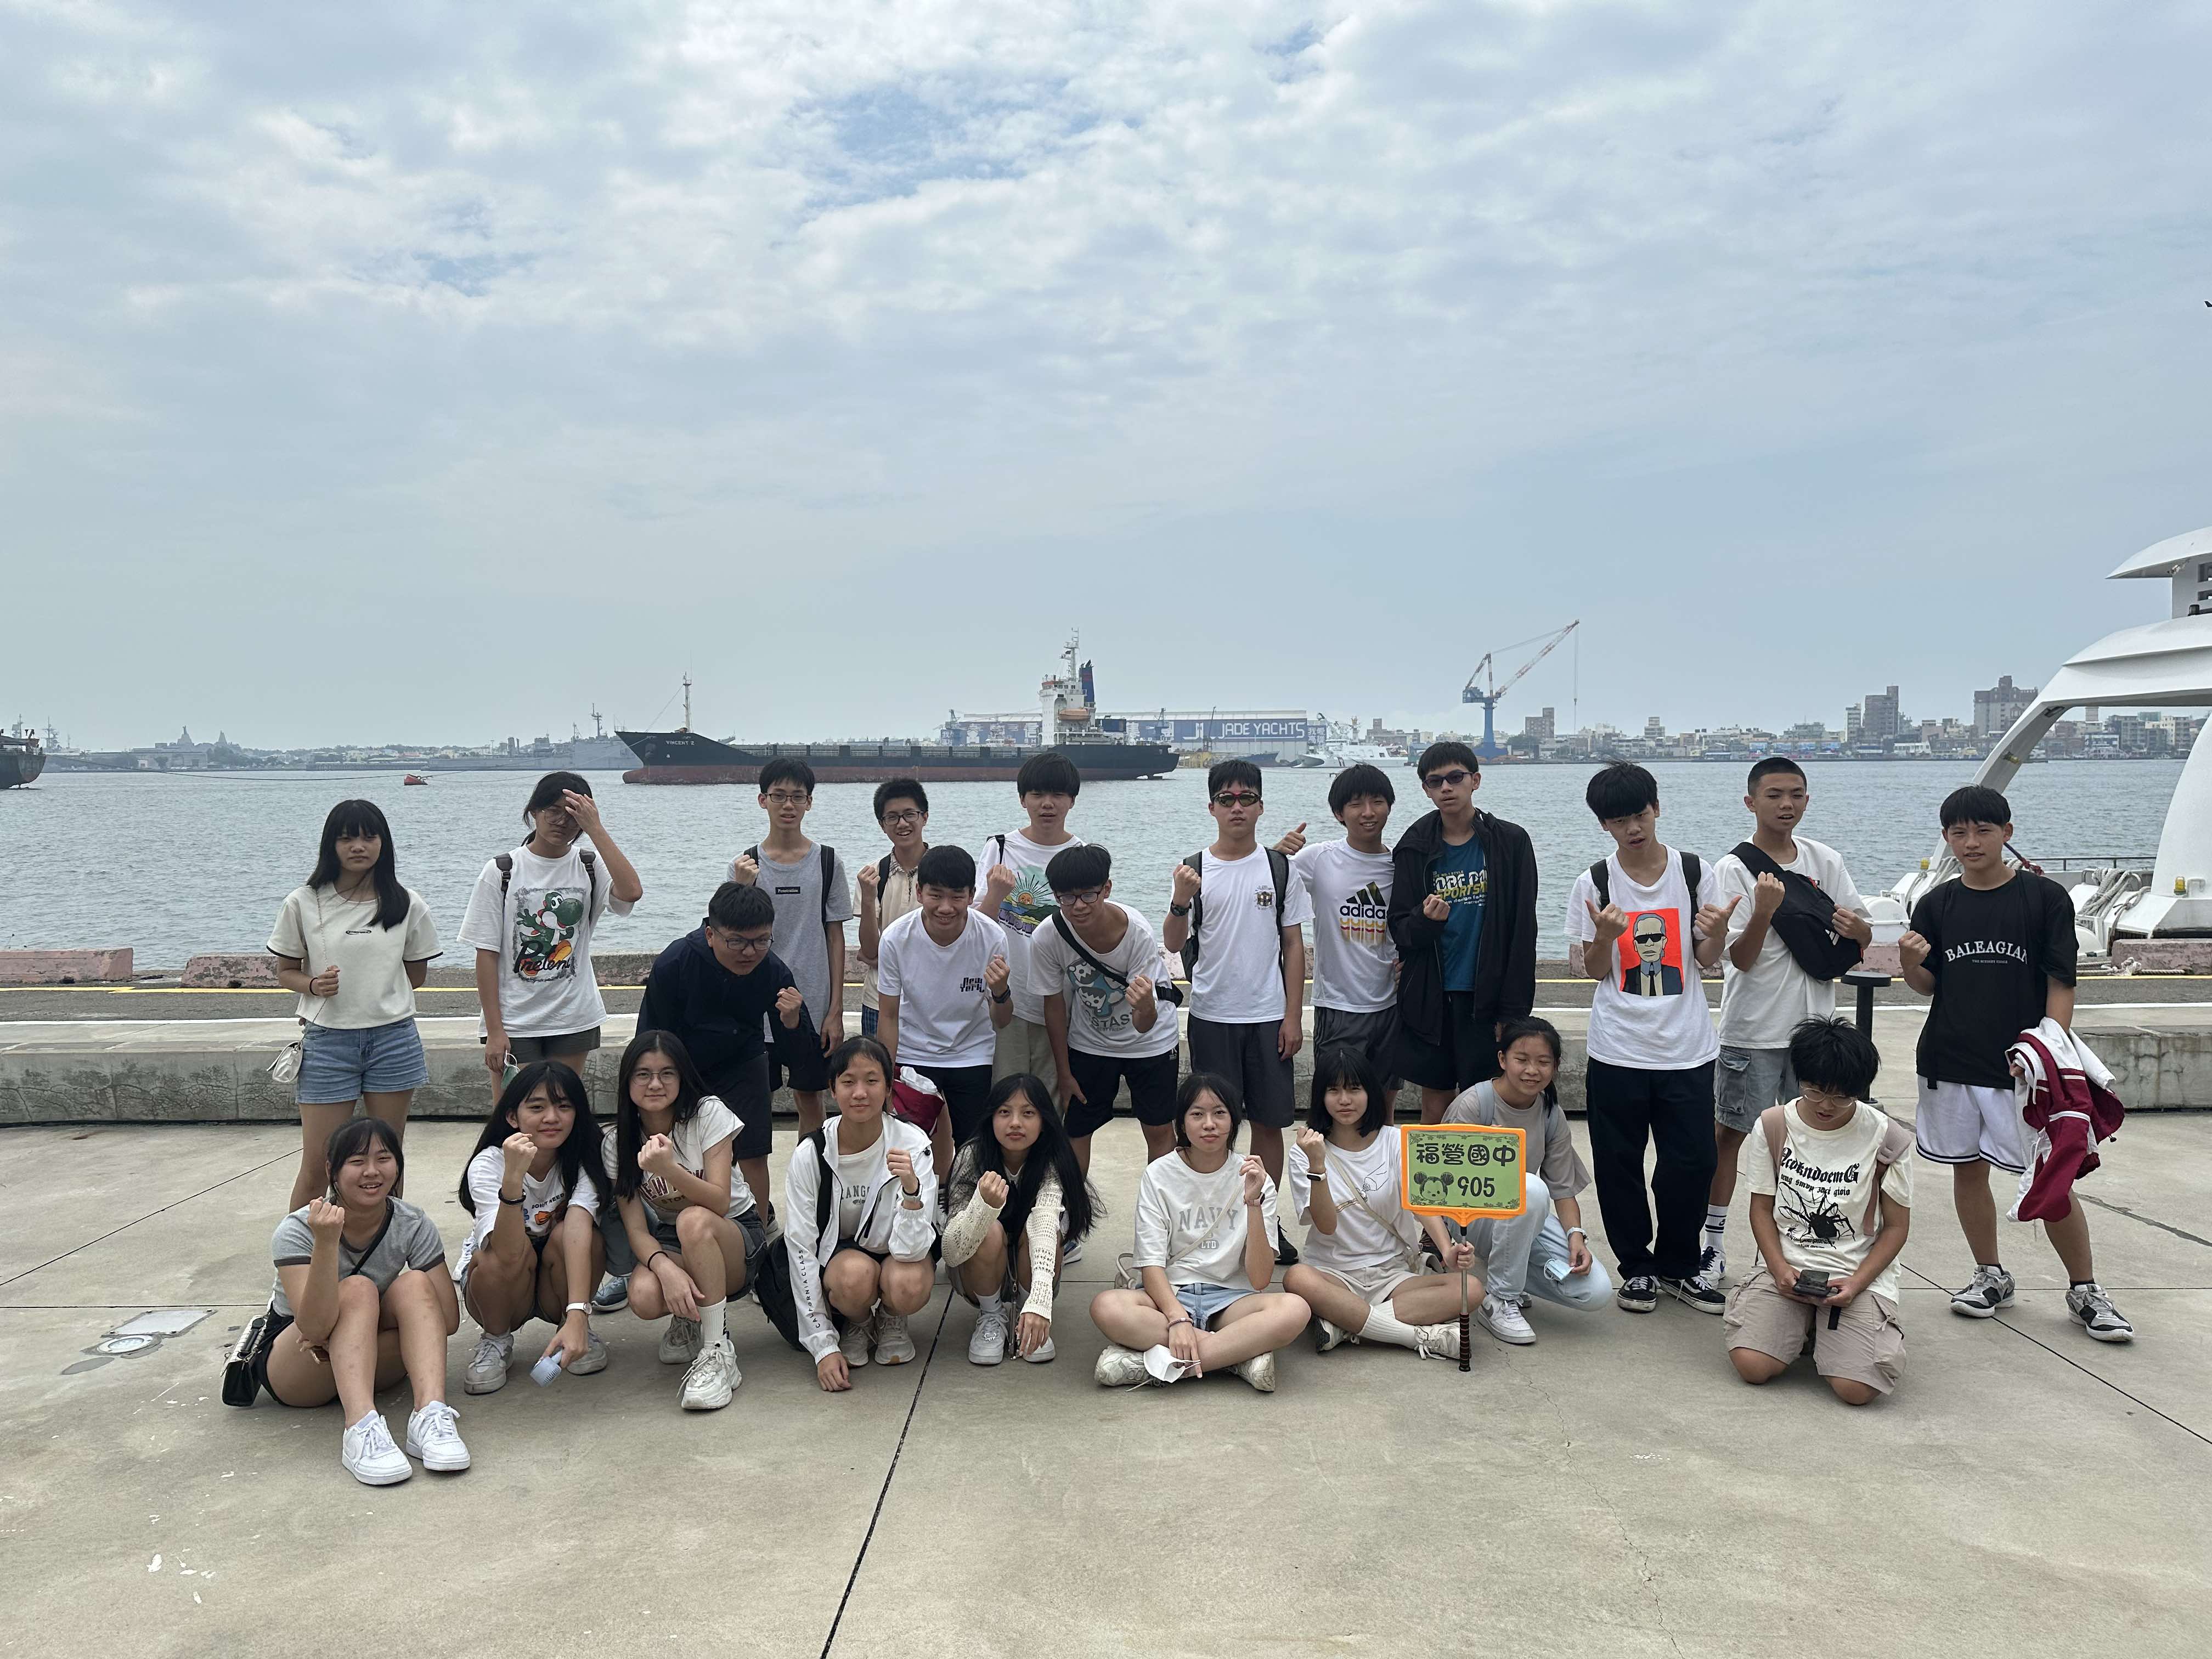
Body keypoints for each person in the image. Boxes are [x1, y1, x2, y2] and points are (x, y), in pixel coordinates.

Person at [1899, 785, 2132, 1341]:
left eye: (1983, 830)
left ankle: (2085, 1289)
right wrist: (1908, 962)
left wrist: (2049, 1053)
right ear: (1946, 838)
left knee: (2053, 1177)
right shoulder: (1936, 904)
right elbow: (1928, 986)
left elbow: (2061, 982)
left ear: (2007, 832)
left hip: (2024, 1068)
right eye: (1959, 833)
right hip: (1950, 1060)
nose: (1971, 842)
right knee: (1967, 1169)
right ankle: (1990, 1275)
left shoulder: (2044, 898)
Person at [1564, 762, 1734, 1317]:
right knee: (1619, 1163)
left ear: (1657, 809)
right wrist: (1605, 938)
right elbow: (1593, 972)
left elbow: (1706, 960)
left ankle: (1680, 1266)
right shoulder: (1594, 883)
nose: (1633, 828)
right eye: (1619, 820)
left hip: (1687, 1047)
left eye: (1639, 814)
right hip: (1618, 1047)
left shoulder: (1695, 872)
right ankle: (1636, 1268)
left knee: (1692, 1162)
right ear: (1603, 825)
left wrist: (1717, 932)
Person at [1706, 758, 1871, 1285]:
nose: (1786, 804)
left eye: (1796, 794)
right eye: (1774, 794)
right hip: (1752, 1029)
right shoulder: (1733, 869)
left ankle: (1803, 1244)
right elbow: (1740, 958)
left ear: (1807, 800)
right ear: (1750, 801)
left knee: (1812, 1143)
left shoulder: (1826, 860)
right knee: (1732, 1137)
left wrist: (1858, 929)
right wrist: (1763, 912)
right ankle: (1712, 1244)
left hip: (1815, 1030)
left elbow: (1862, 937)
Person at [251, 1118, 465, 1485]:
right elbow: (313, 1328)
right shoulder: (299, 1228)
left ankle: (430, 1415)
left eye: (384, 1158)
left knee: (414, 1283)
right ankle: (360, 1427)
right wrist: (326, 1243)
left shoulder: (412, 1223)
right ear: (332, 1171)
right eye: (357, 1161)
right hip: (300, 1364)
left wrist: (369, 1323)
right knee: (358, 1289)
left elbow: (446, 1320)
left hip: (366, 1356)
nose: (372, 1171)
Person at [1163, 759, 1312, 1261]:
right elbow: (1173, 942)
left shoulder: (1280, 868)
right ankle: (1217, 1222)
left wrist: (1293, 1016)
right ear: (1211, 808)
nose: (1237, 808)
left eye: (1247, 798)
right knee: (1212, 1127)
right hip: (1212, 1016)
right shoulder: (1194, 869)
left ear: (1261, 806)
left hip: (1268, 1015)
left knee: (1269, 1124)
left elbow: (1293, 944)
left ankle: (1265, 1222)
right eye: (1226, 799)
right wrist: (1180, 899)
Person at [1725, 1018, 1913, 1404]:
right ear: (1800, 1078)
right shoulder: (1774, 1125)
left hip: (1855, 1274)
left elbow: (1896, 1227)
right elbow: (1761, 1208)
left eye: (1842, 1097)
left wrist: (1857, 1283)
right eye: (1815, 1090)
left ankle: (1832, 1328)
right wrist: (1779, 1269)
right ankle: (1804, 1324)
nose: (1826, 1105)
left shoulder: (1887, 1138)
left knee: (1857, 1390)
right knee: (1753, 1366)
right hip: (1789, 1269)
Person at [268, 799, 442, 1211]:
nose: (358, 847)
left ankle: (386, 1244)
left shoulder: (407, 903)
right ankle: (302, 1248)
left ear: (384, 843)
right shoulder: (304, 901)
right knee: (320, 1163)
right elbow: (286, 971)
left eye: (368, 837)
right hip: (328, 1042)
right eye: (346, 838)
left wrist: (377, 988)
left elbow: (417, 974)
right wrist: (314, 985)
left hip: (394, 1039)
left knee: (386, 1162)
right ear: (331, 845)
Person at [1088, 1073, 1312, 1392]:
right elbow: (1151, 1265)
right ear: (1181, 1123)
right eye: (1197, 1114)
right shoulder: (1159, 1174)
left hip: (1231, 1300)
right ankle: (1236, 1357)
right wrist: (1178, 1318)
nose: (1209, 1124)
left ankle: (1156, 1366)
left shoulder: (1256, 1178)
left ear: (1234, 1121)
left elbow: (1261, 1278)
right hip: (1170, 1295)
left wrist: (1253, 1202)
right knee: (1107, 1307)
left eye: (1220, 1113)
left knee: (1295, 1309)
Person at [628, 880, 816, 1252]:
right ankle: (665, 1233)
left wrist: (792, 1022)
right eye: (737, 942)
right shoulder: (675, 962)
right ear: (711, 934)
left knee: (753, 1150)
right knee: (673, 1150)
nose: (750, 952)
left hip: (743, 1060)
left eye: (761, 941)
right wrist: (655, 1083)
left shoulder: (773, 970)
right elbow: (649, 1039)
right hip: (683, 1065)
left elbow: (801, 1058)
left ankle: (757, 1239)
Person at [604, 1030, 774, 1410]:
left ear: (683, 1078)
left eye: (667, 1073)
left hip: (735, 1233)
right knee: (644, 1295)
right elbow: (636, 1229)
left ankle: (718, 1350)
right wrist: (666, 1270)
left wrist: (669, 1169)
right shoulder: (617, 1143)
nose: (655, 1084)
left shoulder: (707, 1114)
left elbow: (719, 1200)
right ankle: (691, 1317)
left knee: (693, 1220)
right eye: (643, 1074)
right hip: (676, 1238)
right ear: (627, 1081)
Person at [1280, 1046, 1470, 1361]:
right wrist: (1318, 1166)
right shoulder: (1305, 1150)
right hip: (1333, 1274)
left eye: (1355, 1089)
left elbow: (1420, 1203)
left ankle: (1346, 1323)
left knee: (1470, 1290)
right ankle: (1413, 1336)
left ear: (1370, 1093)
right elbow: (1326, 1226)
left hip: (1392, 1272)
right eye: (1334, 1090)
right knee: (1296, 1279)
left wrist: (1447, 1249)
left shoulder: (1395, 1141)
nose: (1345, 1100)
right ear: (1320, 1096)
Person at [458, 771, 642, 1092]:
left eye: (572, 814)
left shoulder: (589, 865)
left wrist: (596, 829)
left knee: (564, 1107)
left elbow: (631, 892)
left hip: (574, 1016)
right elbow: (486, 954)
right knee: (515, 1111)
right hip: (516, 1021)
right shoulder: (501, 870)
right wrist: (495, 1030)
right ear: (534, 811)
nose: (562, 822)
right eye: (553, 811)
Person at [1386, 741, 1539, 1124]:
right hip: (1432, 997)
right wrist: (1426, 920)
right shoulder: (1414, 846)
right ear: (1426, 790)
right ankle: (1435, 1166)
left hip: (1486, 997)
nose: (1446, 788)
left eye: (1456, 778)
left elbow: (1523, 931)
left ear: (1476, 781)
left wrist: (1514, 1011)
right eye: (1435, 781)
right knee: (1435, 1101)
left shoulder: (1510, 843)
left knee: (1486, 1101)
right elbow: (1401, 930)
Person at [1441, 1017, 1615, 1342]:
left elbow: (1563, 1191)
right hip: (1470, 1217)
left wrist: (1576, 1236)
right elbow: (1444, 1183)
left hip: (1522, 1215)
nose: (1532, 1070)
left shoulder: (1551, 1113)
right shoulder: (1475, 1104)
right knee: (1530, 1187)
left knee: (1595, 1291)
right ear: (1502, 1059)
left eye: (1543, 1062)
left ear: (1556, 1066)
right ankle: (1501, 1299)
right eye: (1521, 1060)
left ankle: (1509, 1277)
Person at [785, 1036, 939, 1390]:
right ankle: (858, 1320)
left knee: (909, 1284)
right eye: (848, 1081)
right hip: (844, 1260)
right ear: (832, 1089)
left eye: (872, 1081)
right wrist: (822, 1345)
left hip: (900, 1253)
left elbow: (913, 1250)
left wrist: (911, 1192)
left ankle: (890, 1316)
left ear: (888, 1089)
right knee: (853, 1279)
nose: (860, 1093)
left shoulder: (913, 1145)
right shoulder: (812, 1153)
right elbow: (801, 1247)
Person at [455, 1062, 610, 1396]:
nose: (552, 1117)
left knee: (585, 1237)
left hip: (557, 1279)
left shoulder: (585, 1158)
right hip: (505, 1287)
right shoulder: (489, 1163)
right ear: (513, 1117)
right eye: (537, 1107)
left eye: (564, 1106)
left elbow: (579, 1228)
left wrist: (578, 1314)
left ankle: (573, 1327)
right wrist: (513, 1178)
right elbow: (507, 1253)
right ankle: (496, 1340)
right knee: (492, 1257)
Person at [1030, 844, 1182, 1178]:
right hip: (1090, 1042)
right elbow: (1053, 1005)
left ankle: (1161, 1207)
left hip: (1151, 1043)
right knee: (1076, 1129)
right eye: (1066, 897)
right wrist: (1064, 1073)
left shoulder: (1136, 932)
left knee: (1158, 1128)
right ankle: (1070, 1206)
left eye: (1089, 895)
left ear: (1107, 889)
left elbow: (1145, 1024)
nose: (1078, 906)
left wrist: (1145, 1006)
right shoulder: (1047, 937)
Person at [940, 1073, 1101, 1365]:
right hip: (979, 1270)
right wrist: (982, 1208)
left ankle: (1029, 1315)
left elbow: (1045, 1226)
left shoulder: (1054, 1159)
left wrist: (1039, 1304)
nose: (1015, 1123)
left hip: (1033, 1262)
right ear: (991, 1118)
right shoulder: (971, 1156)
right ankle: (991, 1315)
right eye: (1005, 1112)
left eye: (1028, 1113)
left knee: (1045, 1227)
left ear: (1044, 1120)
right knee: (989, 1231)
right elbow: (951, 1252)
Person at [729, 758, 851, 1138]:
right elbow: (727, 937)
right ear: (762, 800)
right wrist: (741, 887)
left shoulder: (827, 861)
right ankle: (754, 1176)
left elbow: (835, 936)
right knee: (753, 1101)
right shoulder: (745, 865)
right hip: (755, 1005)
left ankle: (808, 1172)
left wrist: (835, 1011)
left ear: (809, 803)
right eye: (779, 795)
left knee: (811, 1098)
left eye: (798, 797)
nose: (788, 805)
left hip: (813, 1004)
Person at [876, 845, 1013, 1150]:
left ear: (972, 894)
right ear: (919, 892)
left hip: (972, 1053)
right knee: (909, 1146)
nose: (946, 907)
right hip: (914, 1052)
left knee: (974, 1147)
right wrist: (885, 1078)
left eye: (957, 897)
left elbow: (1002, 1021)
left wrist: (1001, 991)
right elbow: (888, 1015)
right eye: (936, 896)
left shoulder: (992, 937)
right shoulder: (897, 938)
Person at [1282, 764, 1403, 1087]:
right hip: (1337, 1006)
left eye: (1377, 802)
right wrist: (1275, 854)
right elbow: (1266, 886)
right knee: (1337, 1098)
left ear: (1390, 807)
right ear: (1339, 813)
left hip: (1391, 1005)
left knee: (1384, 1099)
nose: (1368, 812)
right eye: (1356, 804)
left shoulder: (1400, 865)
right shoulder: (1319, 858)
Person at [974, 750, 1084, 1093]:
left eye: (1058, 795)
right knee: (1006, 1096)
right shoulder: (1000, 848)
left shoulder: (1081, 855)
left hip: (1061, 1000)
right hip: (1009, 998)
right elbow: (976, 929)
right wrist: (995, 894)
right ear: (1023, 799)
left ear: (1072, 801)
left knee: (1052, 1100)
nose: (1047, 804)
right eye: (1037, 794)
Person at [856, 778, 930, 1038]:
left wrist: (886, 960)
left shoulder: (943, 870)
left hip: (930, 998)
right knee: (878, 1064)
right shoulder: (872, 875)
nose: (902, 824)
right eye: (892, 817)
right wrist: (868, 899)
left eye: (910, 814)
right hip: (878, 999)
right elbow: (869, 950)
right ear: (882, 825)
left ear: (925, 817)